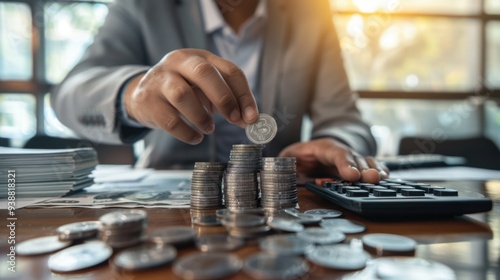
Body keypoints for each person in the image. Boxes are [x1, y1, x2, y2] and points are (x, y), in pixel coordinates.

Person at [52, 0, 388, 183]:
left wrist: (339, 144)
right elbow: (69, 93)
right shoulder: (142, 7)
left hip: (281, 196)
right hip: (172, 194)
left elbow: (345, 117)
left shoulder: (310, 12)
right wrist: (132, 93)